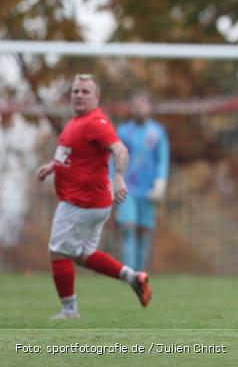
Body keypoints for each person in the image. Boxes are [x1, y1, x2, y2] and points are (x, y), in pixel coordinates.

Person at [35, 74, 152, 320]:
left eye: (85, 92)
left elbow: (120, 150)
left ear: (96, 97)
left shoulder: (96, 122)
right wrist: (53, 166)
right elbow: (77, 156)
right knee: (82, 254)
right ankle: (133, 277)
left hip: (81, 201)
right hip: (92, 202)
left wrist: (119, 177)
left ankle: (69, 310)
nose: (78, 95)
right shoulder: (78, 122)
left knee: (58, 251)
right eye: (75, 91)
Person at [112, 92, 169, 272]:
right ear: (131, 108)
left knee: (144, 231)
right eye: (135, 105)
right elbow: (112, 158)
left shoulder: (157, 132)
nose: (139, 109)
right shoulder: (123, 131)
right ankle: (128, 272)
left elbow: (162, 159)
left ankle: (139, 273)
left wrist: (160, 182)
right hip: (126, 188)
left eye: (142, 105)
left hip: (148, 190)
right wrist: (112, 180)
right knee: (128, 227)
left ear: (149, 107)